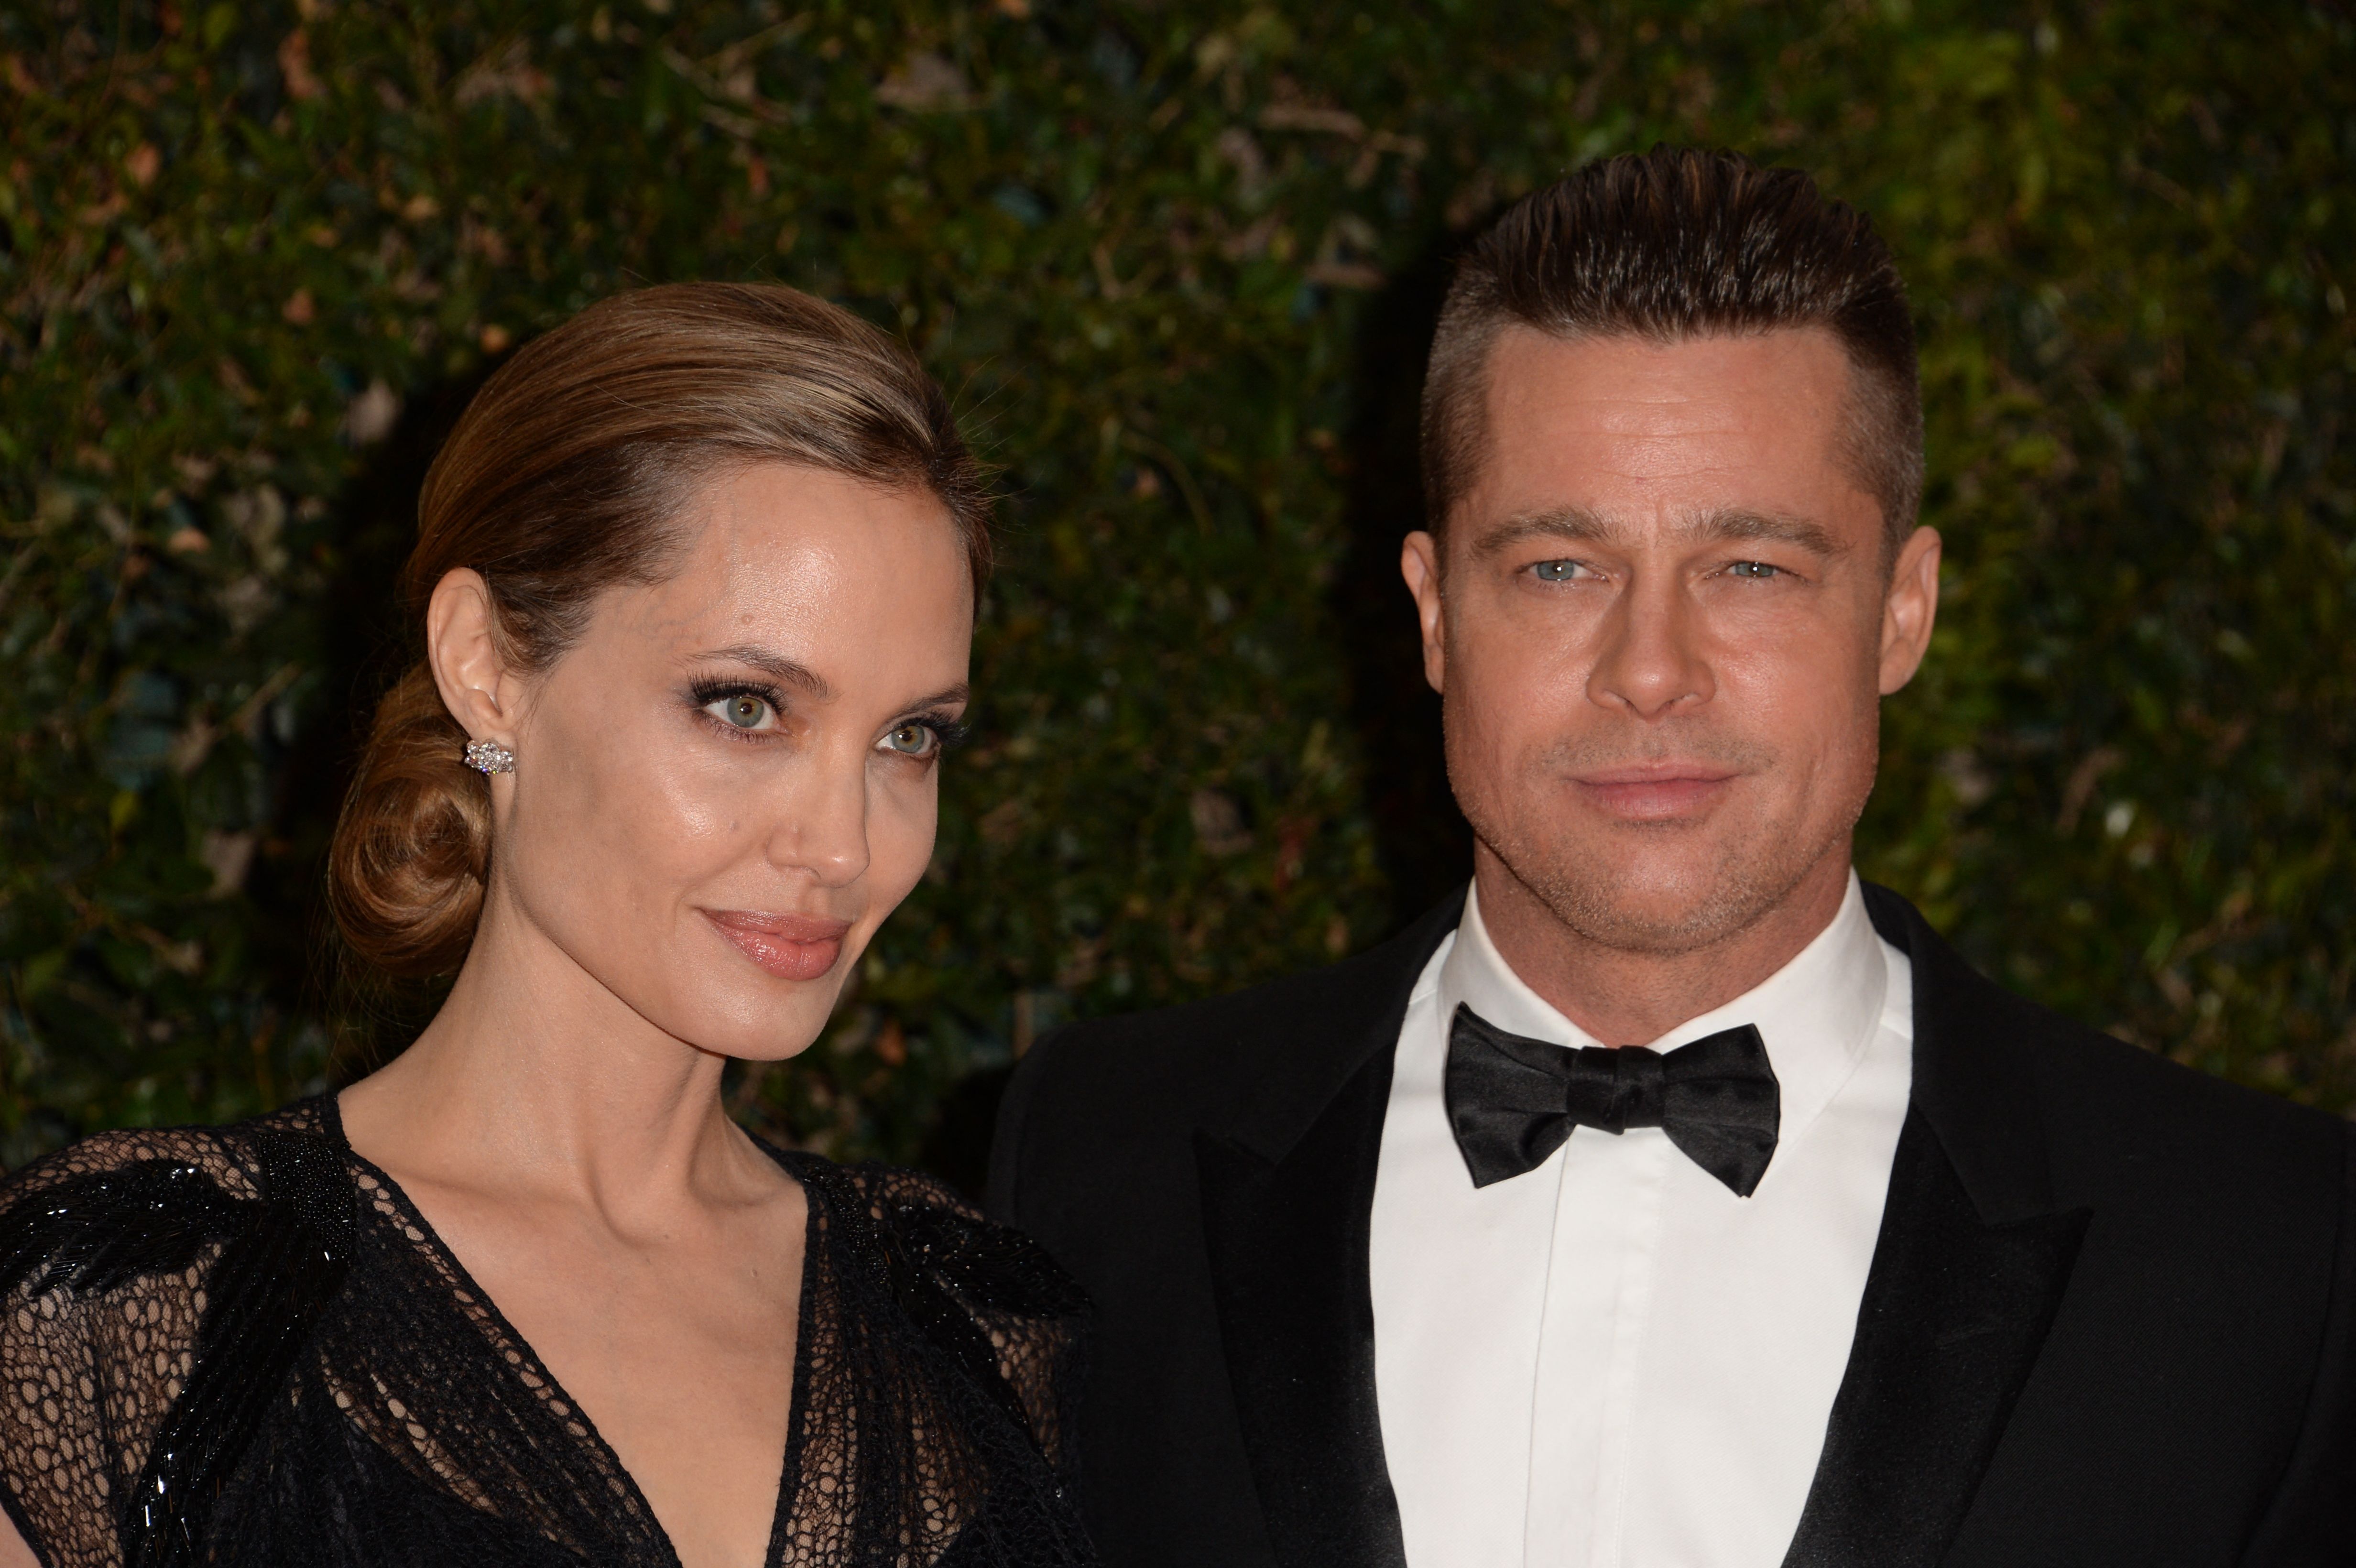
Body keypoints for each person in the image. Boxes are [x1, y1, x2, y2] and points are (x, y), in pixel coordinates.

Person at [989, 148, 2356, 1568]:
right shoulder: (1092, 1169)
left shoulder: (2268, 1257)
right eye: (1559, 569)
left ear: (1903, 611)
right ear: (1433, 612)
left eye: (1751, 568)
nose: (1650, 672)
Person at [0, 284, 1093, 1568]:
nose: (847, 846)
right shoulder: (137, 1314)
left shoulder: (976, 1323)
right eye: (747, 708)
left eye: (911, 738)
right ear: (489, 666)